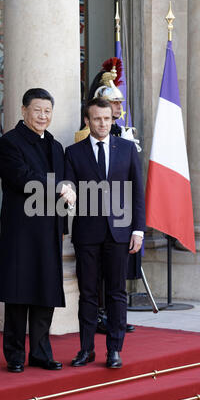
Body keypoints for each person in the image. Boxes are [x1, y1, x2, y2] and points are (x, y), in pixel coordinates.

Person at [0, 88, 74, 373]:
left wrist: (61, 226)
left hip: (48, 230)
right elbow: (23, 179)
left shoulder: (56, 145)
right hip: (21, 230)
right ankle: (14, 354)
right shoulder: (9, 143)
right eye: (37, 110)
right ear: (24, 110)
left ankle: (40, 352)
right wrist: (58, 187)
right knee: (18, 292)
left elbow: (64, 188)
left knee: (44, 292)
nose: (43, 116)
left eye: (47, 111)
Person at [65, 97, 146, 369]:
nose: (103, 123)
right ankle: (86, 349)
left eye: (108, 118)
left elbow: (137, 192)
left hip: (120, 233)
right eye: (97, 119)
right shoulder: (73, 153)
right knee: (87, 293)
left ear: (113, 120)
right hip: (87, 233)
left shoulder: (126, 149)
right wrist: (68, 195)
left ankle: (114, 349)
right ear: (87, 121)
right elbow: (68, 187)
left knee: (116, 292)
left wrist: (138, 230)